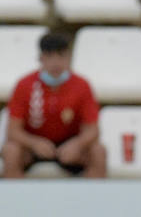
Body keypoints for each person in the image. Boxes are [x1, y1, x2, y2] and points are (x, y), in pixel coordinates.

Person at [2, 32, 106, 179]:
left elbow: (93, 130)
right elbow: (12, 131)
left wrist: (77, 144)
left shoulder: (82, 85)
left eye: (61, 56)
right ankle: (15, 200)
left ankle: (94, 199)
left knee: (98, 151)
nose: (56, 63)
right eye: (50, 56)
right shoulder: (25, 85)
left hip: (69, 145)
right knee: (11, 151)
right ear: (40, 58)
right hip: (34, 145)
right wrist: (34, 143)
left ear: (69, 58)